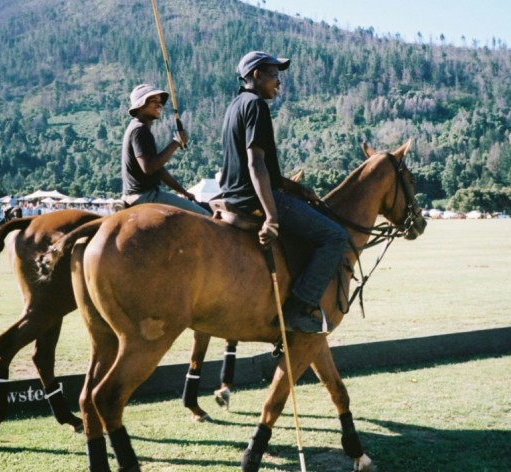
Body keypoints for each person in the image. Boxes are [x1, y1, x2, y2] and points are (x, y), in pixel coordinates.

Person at [216, 51, 349, 334]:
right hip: (253, 197)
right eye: (275, 75)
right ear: (256, 75)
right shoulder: (256, 106)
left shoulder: (235, 106)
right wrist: (271, 217)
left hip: (232, 194)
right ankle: (299, 307)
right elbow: (255, 163)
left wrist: (296, 187)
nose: (279, 83)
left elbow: (265, 171)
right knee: (335, 235)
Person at [121, 83, 207, 214]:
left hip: (141, 195)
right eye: (153, 101)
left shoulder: (138, 128)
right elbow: (149, 168)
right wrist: (176, 143)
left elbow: (158, 170)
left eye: (160, 102)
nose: (159, 105)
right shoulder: (140, 130)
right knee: (205, 216)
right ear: (139, 105)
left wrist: (182, 192)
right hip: (145, 197)